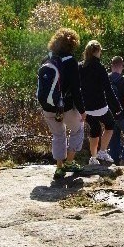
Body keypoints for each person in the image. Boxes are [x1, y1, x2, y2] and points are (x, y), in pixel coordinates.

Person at [40, 27, 87, 180]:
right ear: (73, 44)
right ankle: (69, 162)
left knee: (58, 134)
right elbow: (75, 89)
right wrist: (82, 110)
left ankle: (59, 167)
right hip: (64, 106)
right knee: (78, 129)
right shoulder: (71, 61)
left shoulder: (46, 59)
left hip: (47, 106)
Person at [79, 40, 121, 165]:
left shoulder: (80, 66)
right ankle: (102, 152)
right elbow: (108, 89)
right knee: (110, 124)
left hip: (86, 107)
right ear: (97, 51)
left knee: (95, 128)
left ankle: (93, 158)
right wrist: (117, 106)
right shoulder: (99, 67)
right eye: (100, 51)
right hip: (99, 105)